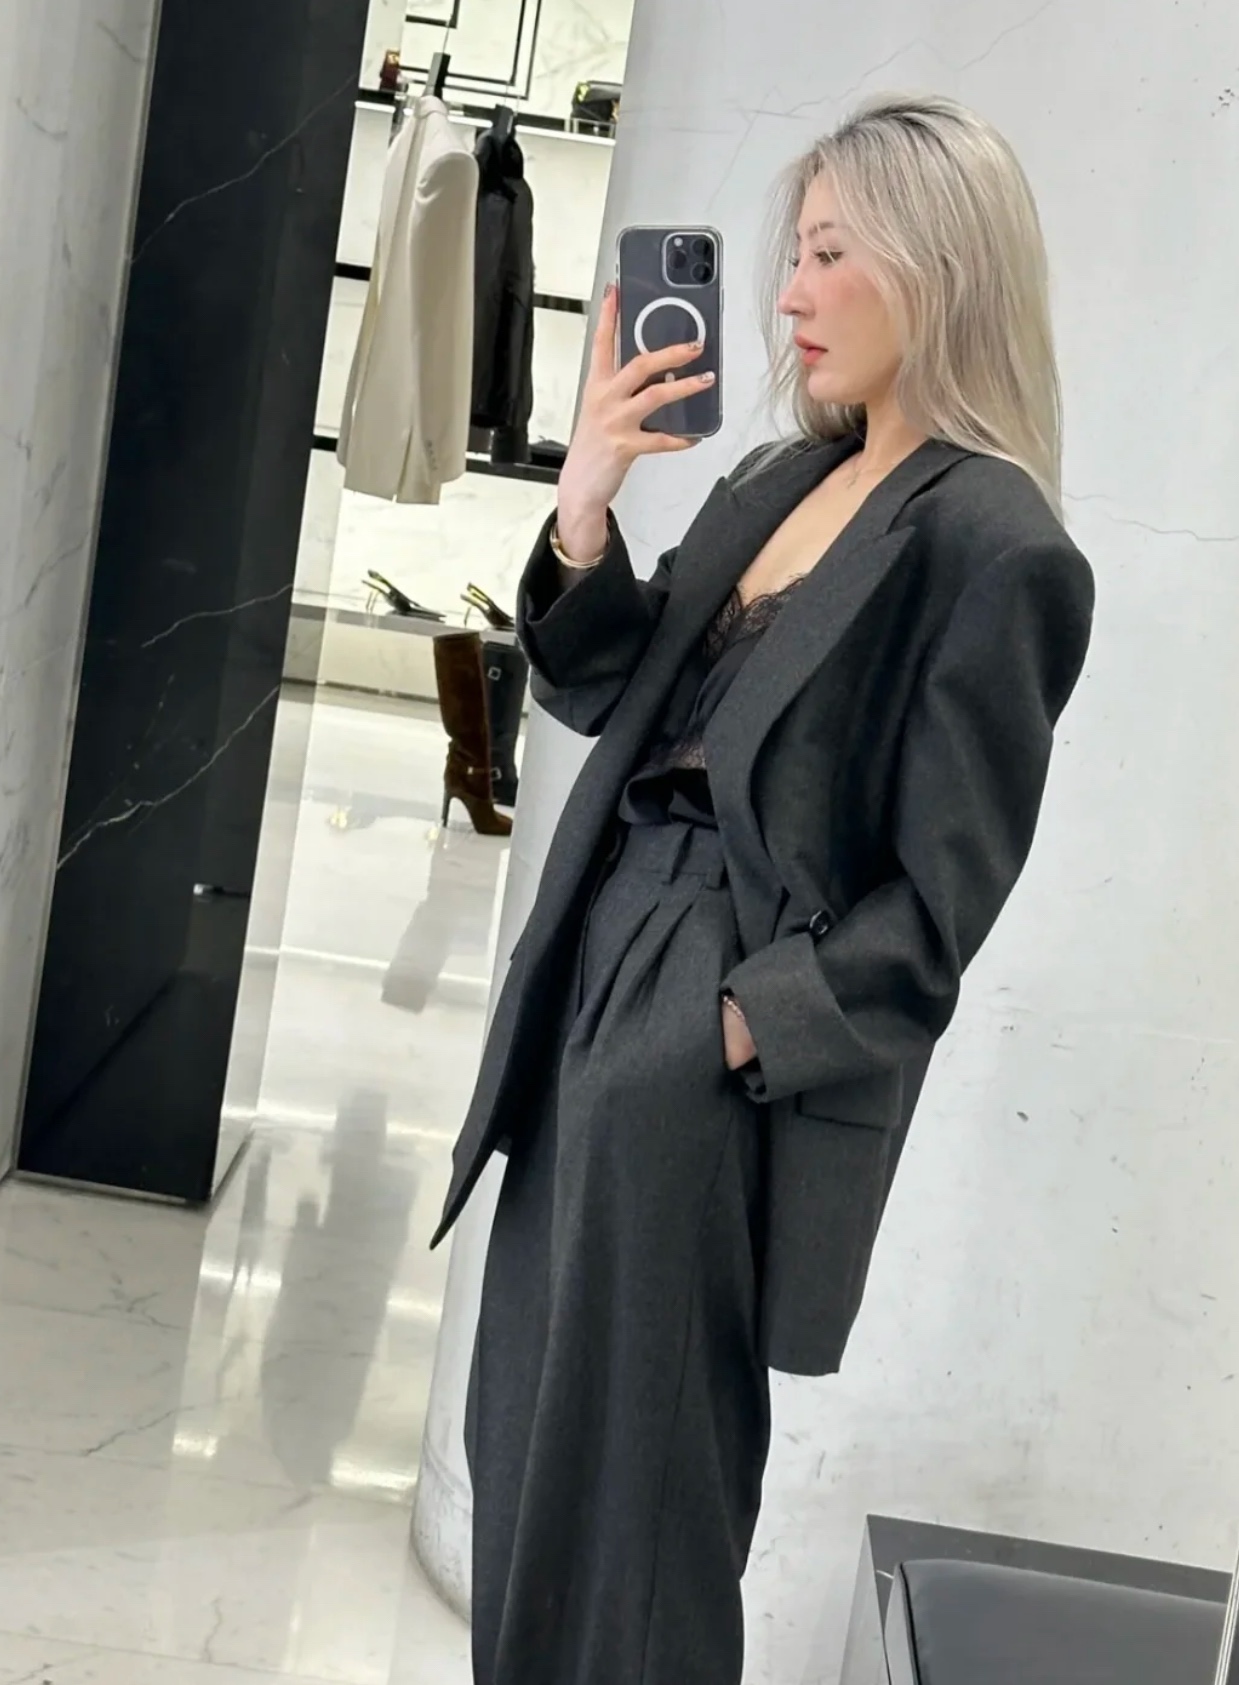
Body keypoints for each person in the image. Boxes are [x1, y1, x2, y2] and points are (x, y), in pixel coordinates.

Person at [431, 92, 1096, 1685]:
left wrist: (727, 1032)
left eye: (827, 255)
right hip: (593, 969)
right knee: (525, 1438)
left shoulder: (996, 547)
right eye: (792, 256)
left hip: (706, 1024)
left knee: (644, 1501)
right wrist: (587, 497)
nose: (788, 293)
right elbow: (605, 687)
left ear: (936, 267)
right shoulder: (784, 476)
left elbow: (932, 917)